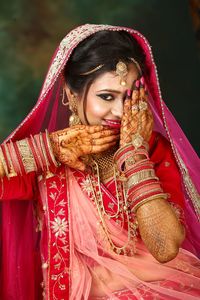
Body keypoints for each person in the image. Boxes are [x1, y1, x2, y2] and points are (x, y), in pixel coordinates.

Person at [0, 24, 200, 300]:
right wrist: (48, 149)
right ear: (71, 93)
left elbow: (165, 248)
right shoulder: (43, 162)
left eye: (129, 98)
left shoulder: (154, 151)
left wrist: (135, 155)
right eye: (106, 97)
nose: (119, 112)